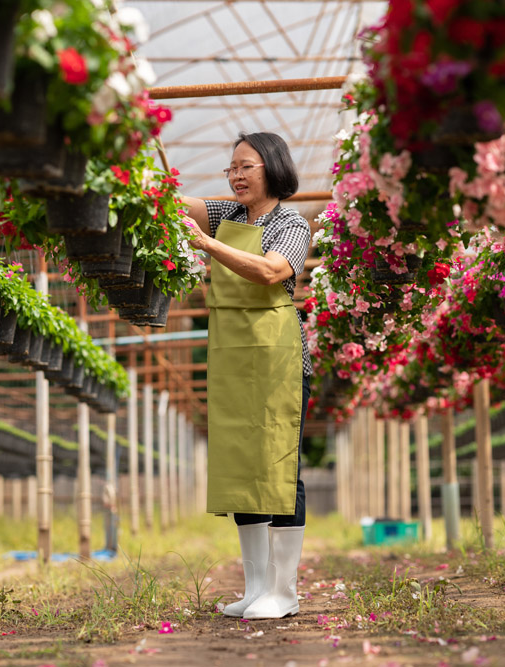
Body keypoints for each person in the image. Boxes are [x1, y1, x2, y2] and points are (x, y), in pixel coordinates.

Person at [181, 131, 312, 620]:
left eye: (246, 166)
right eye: (231, 168)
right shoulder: (229, 215)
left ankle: (285, 592)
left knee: (278, 466)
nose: (236, 175)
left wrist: (208, 246)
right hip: (234, 354)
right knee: (241, 464)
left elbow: (270, 272)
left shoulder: (290, 223)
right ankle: (257, 588)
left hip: (277, 358)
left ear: (272, 168)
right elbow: (179, 204)